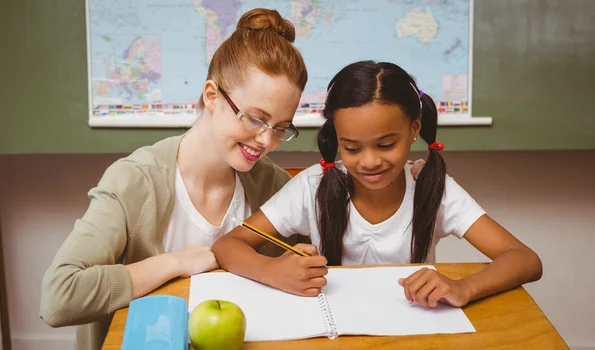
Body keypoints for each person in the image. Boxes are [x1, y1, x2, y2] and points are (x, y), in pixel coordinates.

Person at [40, 8, 311, 350]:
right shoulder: (133, 181)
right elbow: (58, 297)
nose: (266, 141)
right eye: (256, 119)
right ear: (212, 96)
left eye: (281, 128)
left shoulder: (273, 186)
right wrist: (175, 263)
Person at [212, 60, 543, 309]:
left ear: (415, 127)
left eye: (386, 145)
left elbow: (525, 259)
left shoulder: (434, 188)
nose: (369, 162)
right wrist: (273, 271)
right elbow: (227, 246)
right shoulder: (313, 186)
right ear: (336, 139)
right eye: (352, 148)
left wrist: (464, 287)